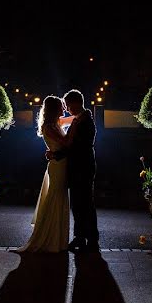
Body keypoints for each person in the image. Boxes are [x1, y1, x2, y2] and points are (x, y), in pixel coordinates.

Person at [16, 96, 75, 253]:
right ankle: (50, 237)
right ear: (54, 109)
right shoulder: (49, 127)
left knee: (59, 196)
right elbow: (66, 143)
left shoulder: (55, 124)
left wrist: (77, 118)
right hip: (58, 165)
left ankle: (57, 238)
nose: (64, 109)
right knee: (56, 197)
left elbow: (72, 119)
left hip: (59, 163)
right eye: (61, 107)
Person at [49, 89, 98, 252]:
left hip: (82, 167)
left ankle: (90, 238)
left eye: (69, 105)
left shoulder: (85, 122)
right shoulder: (80, 119)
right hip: (79, 166)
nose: (67, 109)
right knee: (79, 203)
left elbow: (76, 147)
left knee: (84, 203)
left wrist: (56, 155)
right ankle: (81, 237)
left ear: (76, 103)